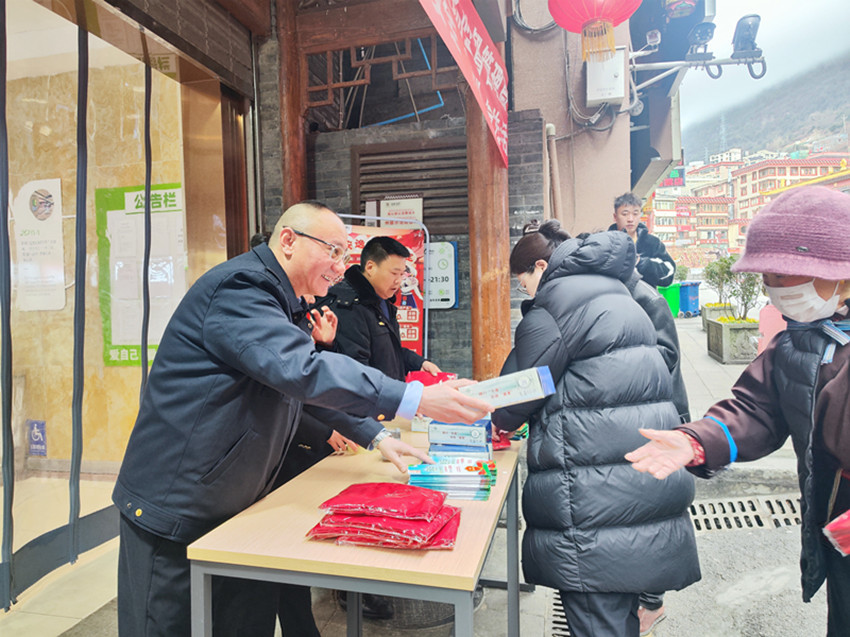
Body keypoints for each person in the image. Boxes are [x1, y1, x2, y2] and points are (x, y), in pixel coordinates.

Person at [112, 201, 493, 636]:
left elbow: (298, 389)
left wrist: (376, 435)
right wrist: (412, 397)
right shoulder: (241, 289)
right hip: (178, 503)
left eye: (345, 254)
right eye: (333, 251)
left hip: (238, 502)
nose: (340, 266)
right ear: (289, 240)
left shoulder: (286, 302)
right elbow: (303, 371)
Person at [626, 185, 850, 637]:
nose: (777, 288)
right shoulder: (795, 344)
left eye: (787, 274)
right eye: (769, 275)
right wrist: (696, 440)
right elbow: (756, 409)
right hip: (837, 519)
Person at [491, 221, 700, 637]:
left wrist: (492, 418)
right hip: (635, 468)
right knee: (618, 610)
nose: (524, 290)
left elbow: (523, 388)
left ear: (540, 267)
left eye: (522, 281)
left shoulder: (556, 301)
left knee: (595, 616)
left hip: (592, 489)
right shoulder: (614, 287)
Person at [312, 234, 443, 620]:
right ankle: (354, 589)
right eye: (395, 272)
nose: (400, 280)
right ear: (370, 266)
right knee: (360, 498)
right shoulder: (349, 306)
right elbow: (352, 371)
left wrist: (417, 361)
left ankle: (376, 576)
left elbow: (388, 349)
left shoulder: (378, 301)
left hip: (379, 414)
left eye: (405, 273)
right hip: (359, 417)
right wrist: (369, 424)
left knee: (383, 491)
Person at [608, 192, 676, 288]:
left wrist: (642, 263)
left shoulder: (652, 243)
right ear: (615, 217)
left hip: (644, 297)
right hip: (614, 296)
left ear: (640, 215)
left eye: (635, 214)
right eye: (625, 214)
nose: (630, 219)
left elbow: (669, 275)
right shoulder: (607, 242)